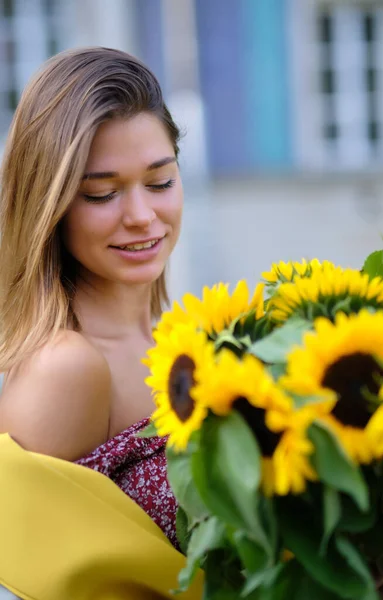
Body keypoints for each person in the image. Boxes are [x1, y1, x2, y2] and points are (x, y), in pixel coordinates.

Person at [0, 47, 202, 599]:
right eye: (102, 193)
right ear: (51, 203)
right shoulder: (65, 368)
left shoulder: (187, 338)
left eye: (160, 182)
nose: (141, 215)